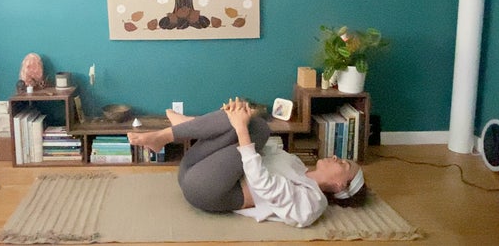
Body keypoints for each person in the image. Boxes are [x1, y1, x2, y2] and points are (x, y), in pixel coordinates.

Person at [127, 97, 367, 228]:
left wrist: (240, 126)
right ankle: (187, 125)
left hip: (206, 191)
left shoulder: (313, 202)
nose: (336, 158)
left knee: (254, 128)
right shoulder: (296, 164)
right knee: (254, 123)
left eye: (343, 164)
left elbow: (262, 183)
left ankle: (176, 130)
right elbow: (250, 146)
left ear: (340, 186)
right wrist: (236, 117)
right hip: (194, 170)